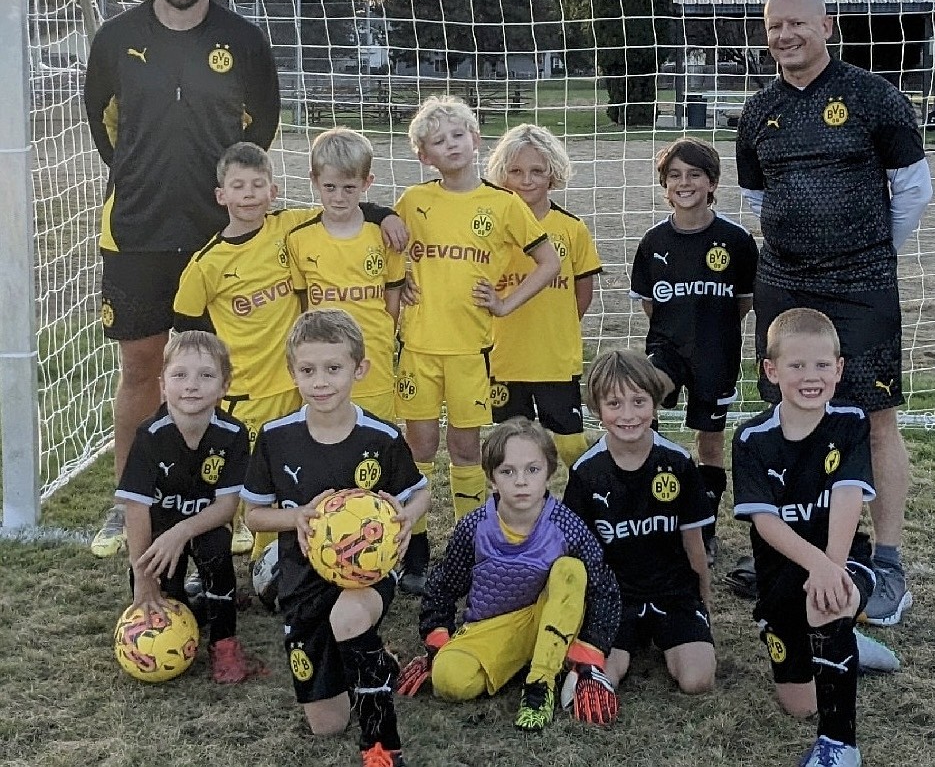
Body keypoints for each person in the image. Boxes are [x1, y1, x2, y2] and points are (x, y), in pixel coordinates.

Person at [735, 0, 933, 626]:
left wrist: (865, 250)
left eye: (796, 23)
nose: (784, 36)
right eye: (773, 27)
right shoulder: (757, 111)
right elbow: (758, 203)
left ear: (827, 25)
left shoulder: (875, 98)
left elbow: (912, 191)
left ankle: (888, 564)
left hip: (862, 282)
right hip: (785, 285)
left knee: (873, 418)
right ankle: (807, 555)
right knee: (790, 417)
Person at [84, 0, 281, 558]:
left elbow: (258, 131)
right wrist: (145, 175)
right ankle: (128, 501)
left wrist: (216, 194)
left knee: (231, 368)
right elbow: (102, 121)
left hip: (217, 234)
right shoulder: (116, 37)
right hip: (137, 230)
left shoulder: (244, 40)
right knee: (143, 369)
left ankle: (234, 499)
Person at [173, 142, 404, 560]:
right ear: (221, 195)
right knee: (235, 475)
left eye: (258, 184)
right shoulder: (206, 264)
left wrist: (385, 214)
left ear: (273, 191)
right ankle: (218, 559)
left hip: (302, 379)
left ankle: (301, 547)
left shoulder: (290, 228)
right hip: (248, 387)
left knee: (295, 468)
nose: (248, 194)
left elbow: (344, 207)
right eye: (238, 186)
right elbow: (187, 330)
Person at [242, 309, 430, 766]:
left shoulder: (380, 436)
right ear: (293, 373)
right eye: (308, 370)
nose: (321, 381)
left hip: (363, 581)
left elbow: (422, 493)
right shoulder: (275, 438)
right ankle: (373, 661)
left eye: (333, 369)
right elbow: (253, 515)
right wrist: (298, 517)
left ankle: (381, 742)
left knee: (349, 616)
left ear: (359, 370)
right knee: (326, 726)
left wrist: (404, 518)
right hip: (302, 582)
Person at [394, 97, 561, 595]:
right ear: (425, 155)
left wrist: (506, 303)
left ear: (475, 140)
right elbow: (385, 256)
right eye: (438, 141)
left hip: (471, 351)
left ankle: (469, 547)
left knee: (467, 449)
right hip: (419, 349)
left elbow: (549, 262)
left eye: (458, 136)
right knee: (418, 447)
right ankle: (417, 553)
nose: (451, 146)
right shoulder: (412, 202)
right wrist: (397, 284)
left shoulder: (503, 205)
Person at [396, 417, 621, 731]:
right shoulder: (475, 526)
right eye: (507, 471)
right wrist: (436, 640)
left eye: (532, 469)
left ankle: (541, 683)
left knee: (571, 570)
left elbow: (602, 586)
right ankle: (513, 662)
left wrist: (591, 654)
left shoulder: (567, 525)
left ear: (549, 473)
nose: (521, 482)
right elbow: (445, 584)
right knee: (449, 681)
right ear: (491, 479)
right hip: (492, 627)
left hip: (549, 621)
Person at [731, 307, 878, 767]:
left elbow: (848, 496)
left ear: (838, 369)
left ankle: (840, 746)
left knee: (827, 604)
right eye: (796, 366)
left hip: (842, 560)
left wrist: (832, 571)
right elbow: (766, 523)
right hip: (783, 579)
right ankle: (844, 638)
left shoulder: (851, 421)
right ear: (771, 371)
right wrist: (816, 567)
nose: (809, 377)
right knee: (799, 704)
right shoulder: (751, 438)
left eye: (820, 366)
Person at [629, 137, 758, 565]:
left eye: (694, 174)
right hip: (665, 351)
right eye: (675, 176)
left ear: (712, 181)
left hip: (715, 354)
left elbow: (741, 303)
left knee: (710, 444)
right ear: (665, 185)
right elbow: (651, 305)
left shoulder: (736, 241)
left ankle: (705, 528)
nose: (684, 183)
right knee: (644, 422)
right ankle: (656, 516)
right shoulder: (652, 242)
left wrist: (710, 335)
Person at [563, 349, 716, 695]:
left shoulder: (677, 462)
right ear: (597, 410)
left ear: (655, 403)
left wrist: (703, 600)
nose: (628, 415)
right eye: (615, 404)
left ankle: (675, 636)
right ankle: (623, 644)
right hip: (615, 596)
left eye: (638, 401)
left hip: (673, 591)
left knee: (697, 681)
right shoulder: (586, 473)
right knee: (602, 680)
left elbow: (694, 542)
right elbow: (577, 554)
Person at [115, 330, 265, 683]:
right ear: (163, 385)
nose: (192, 385)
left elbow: (227, 506)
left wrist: (182, 531)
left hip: (202, 525)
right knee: (161, 594)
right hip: (157, 534)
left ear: (224, 385)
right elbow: (135, 510)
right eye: (179, 375)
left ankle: (224, 642)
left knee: (215, 550)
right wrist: (142, 576)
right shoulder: (150, 436)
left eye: (206, 375)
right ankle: (189, 611)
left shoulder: (233, 434)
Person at [484, 124, 603, 470]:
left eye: (537, 171)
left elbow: (583, 294)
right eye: (516, 171)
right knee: (509, 447)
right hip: (505, 357)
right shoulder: (493, 229)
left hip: (555, 358)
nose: (526, 180)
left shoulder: (571, 228)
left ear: (553, 173)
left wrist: (557, 327)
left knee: (571, 446)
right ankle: (516, 511)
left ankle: (584, 507)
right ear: (501, 175)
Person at [287, 128, 405, 422]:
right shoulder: (299, 238)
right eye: (330, 187)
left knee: (377, 439)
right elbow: (303, 306)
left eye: (349, 188)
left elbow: (393, 298)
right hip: (323, 365)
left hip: (373, 358)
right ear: (314, 181)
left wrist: (381, 339)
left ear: (367, 183)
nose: (338, 197)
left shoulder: (383, 235)